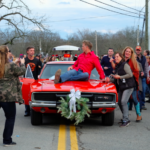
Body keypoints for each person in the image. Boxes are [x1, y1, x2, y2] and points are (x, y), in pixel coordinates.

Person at [0, 45, 26, 146]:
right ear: (7, 53)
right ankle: (7, 140)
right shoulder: (11, 66)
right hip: (7, 96)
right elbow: (21, 72)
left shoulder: (8, 65)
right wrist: (22, 64)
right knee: (10, 118)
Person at [105, 53, 136, 127]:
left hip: (128, 86)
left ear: (121, 57)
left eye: (117, 56)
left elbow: (130, 74)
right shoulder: (117, 66)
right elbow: (116, 78)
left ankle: (126, 119)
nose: (116, 58)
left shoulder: (125, 64)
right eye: (115, 57)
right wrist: (110, 79)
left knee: (123, 101)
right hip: (122, 87)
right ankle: (125, 117)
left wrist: (120, 77)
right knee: (119, 102)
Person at [122, 47, 142, 122]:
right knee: (125, 100)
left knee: (134, 98)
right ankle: (125, 116)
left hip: (132, 83)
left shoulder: (134, 61)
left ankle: (139, 114)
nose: (127, 53)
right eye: (126, 51)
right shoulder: (122, 60)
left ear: (131, 53)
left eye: (129, 52)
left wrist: (128, 74)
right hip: (123, 83)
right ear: (124, 52)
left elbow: (137, 72)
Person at [24, 47, 41, 116]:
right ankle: (27, 111)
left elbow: (41, 70)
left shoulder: (37, 60)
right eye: (31, 50)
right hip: (26, 81)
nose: (32, 52)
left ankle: (35, 110)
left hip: (35, 81)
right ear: (27, 52)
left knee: (34, 96)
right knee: (27, 96)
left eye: (33, 50)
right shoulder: (24, 60)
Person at [135, 46, 149, 110]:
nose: (138, 51)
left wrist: (147, 75)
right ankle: (137, 104)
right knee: (137, 91)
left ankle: (142, 104)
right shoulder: (134, 57)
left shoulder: (144, 58)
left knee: (143, 90)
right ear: (135, 50)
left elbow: (146, 67)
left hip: (143, 77)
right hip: (136, 77)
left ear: (141, 51)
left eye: (139, 50)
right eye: (137, 50)